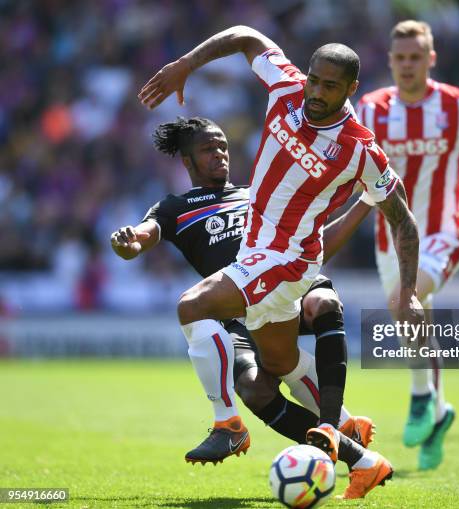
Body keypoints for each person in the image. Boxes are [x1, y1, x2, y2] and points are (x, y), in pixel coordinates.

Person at [138, 28, 423, 497]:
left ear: (351, 88)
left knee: (192, 306)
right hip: (257, 254)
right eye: (314, 80)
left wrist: (408, 292)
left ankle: (227, 424)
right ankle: (363, 458)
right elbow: (247, 37)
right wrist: (186, 64)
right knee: (281, 365)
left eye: (330, 86)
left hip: (287, 261)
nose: (315, 92)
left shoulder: (359, 149)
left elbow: (404, 220)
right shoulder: (288, 88)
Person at [110, 116, 376, 472]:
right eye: (208, 149)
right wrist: (127, 242)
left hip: (287, 283)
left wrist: (367, 201)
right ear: (187, 162)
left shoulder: (260, 194)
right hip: (238, 310)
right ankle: (350, 447)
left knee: (322, 303)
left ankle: (333, 419)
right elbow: (141, 237)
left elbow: (316, 247)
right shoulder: (174, 208)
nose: (220, 154)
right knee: (254, 388)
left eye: (222, 146)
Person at [328, 20, 459, 471]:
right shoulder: (371, 109)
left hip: (444, 231)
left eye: (417, 57)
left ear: (431, 59)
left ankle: (419, 398)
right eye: (401, 57)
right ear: (390, 60)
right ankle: (439, 414)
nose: (408, 65)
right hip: (388, 235)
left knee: (404, 301)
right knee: (416, 319)